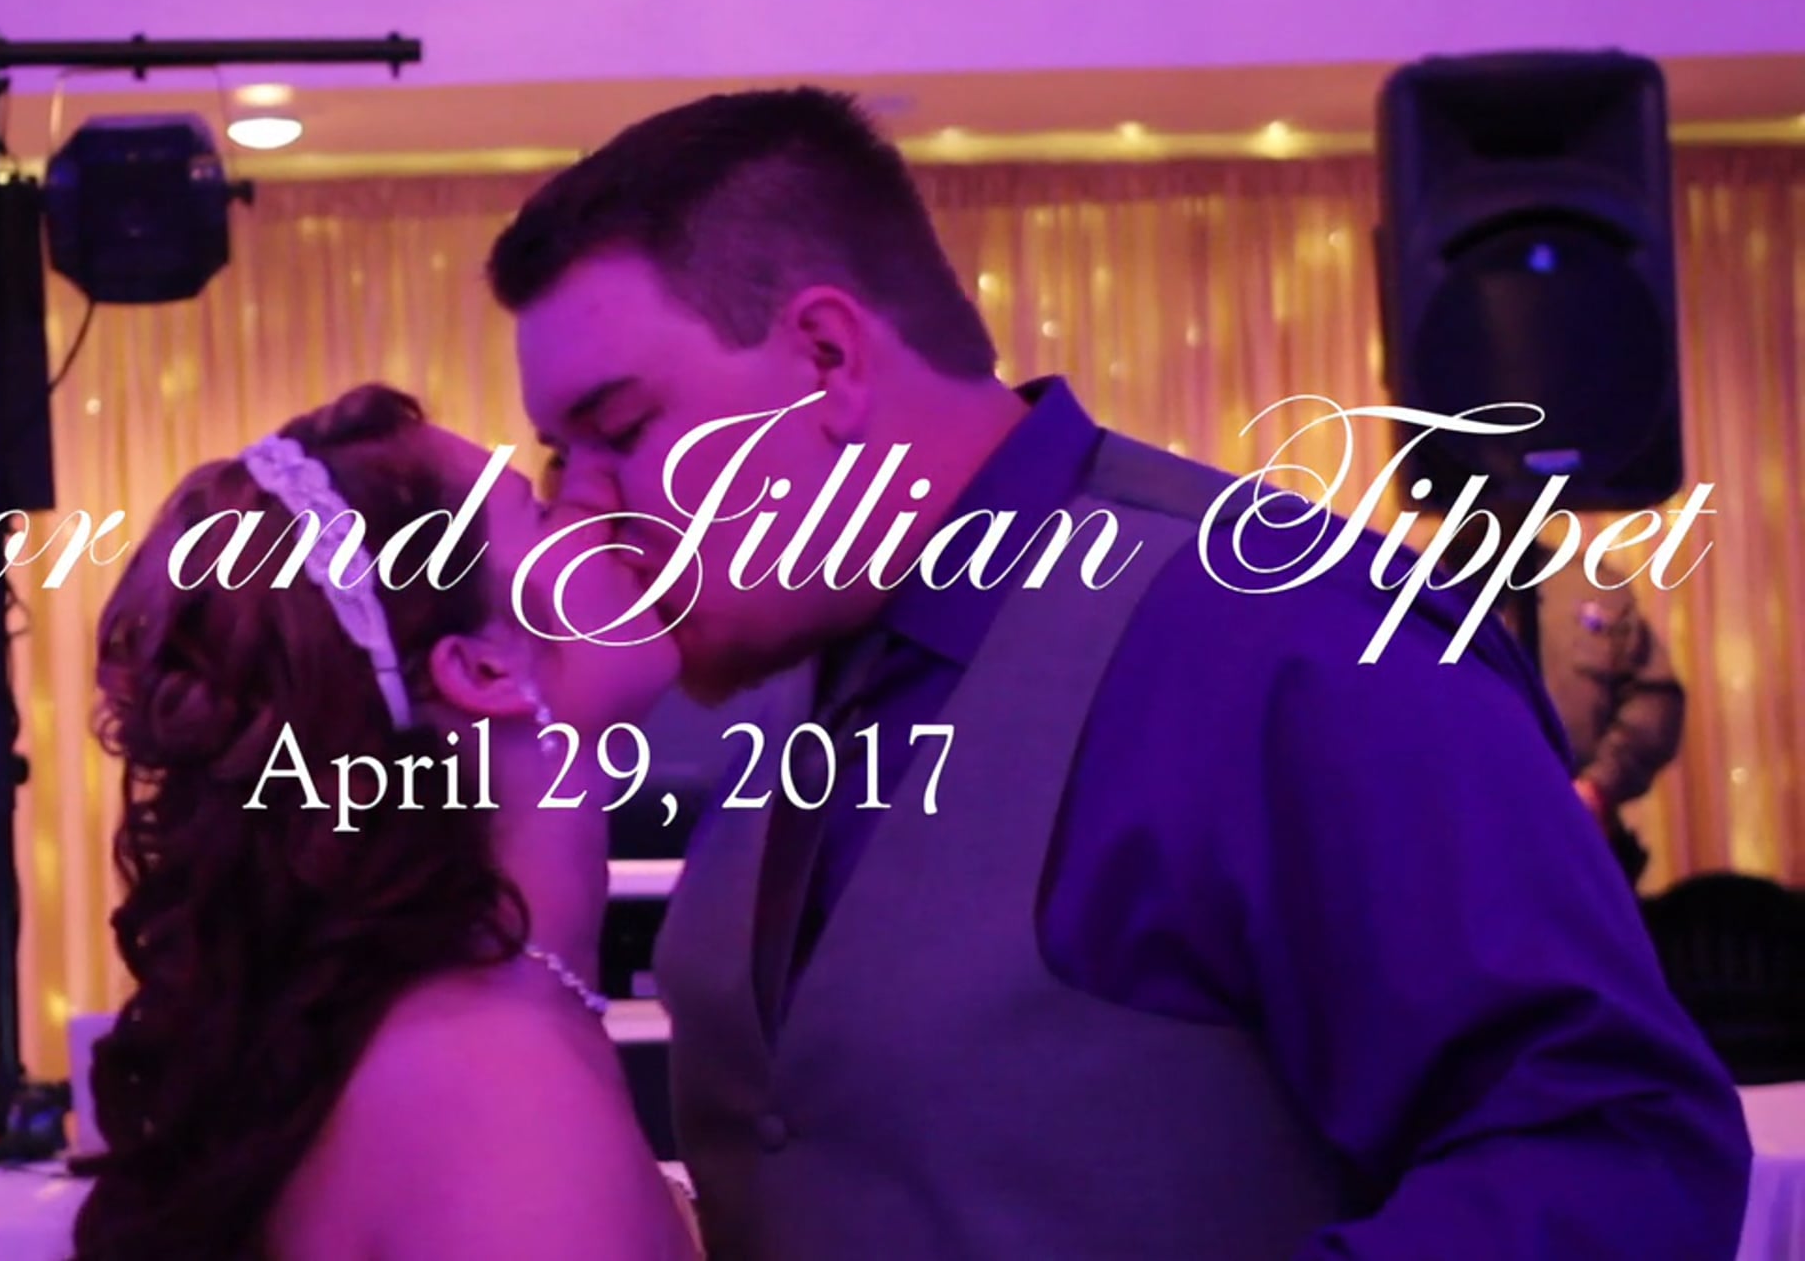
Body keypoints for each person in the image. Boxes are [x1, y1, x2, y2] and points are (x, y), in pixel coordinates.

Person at [488, 88, 1750, 1259]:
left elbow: (1614, 1153)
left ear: (827, 357)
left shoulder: (1283, 635)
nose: (581, 509)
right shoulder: (777, 661)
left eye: (619, 432)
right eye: (558, 459)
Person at [68, 385, 698, 1261]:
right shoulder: (495, 1094)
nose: (593, 504)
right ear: (482, 670)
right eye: (541, 511)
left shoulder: (450, 1031)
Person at [1440, 535, 1687, 885]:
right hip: (1458, 848)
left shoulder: (1593, 586)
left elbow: (1655, 699)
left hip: (1582, 849)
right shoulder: (1412, 589)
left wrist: (1599, 786)